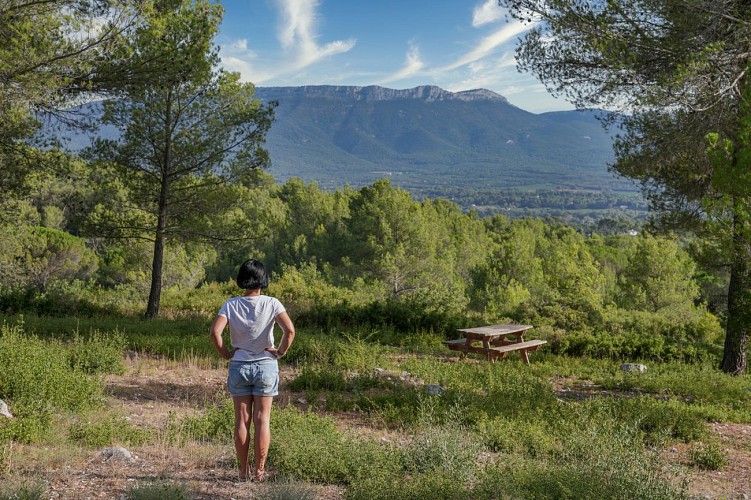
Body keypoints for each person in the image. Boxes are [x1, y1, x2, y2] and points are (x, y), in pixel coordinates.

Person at [210, 259, 295, 482]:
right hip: (266, 365)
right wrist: (280, 352)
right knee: (262, 420)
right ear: (263, 279)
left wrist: (227, 354)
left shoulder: (231, 304)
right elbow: (290, 331)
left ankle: (242, 470)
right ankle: (260, 471)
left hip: (239, 366)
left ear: (242, 279)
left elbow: (215, 334)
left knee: (241, 420)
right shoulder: (272, 303)